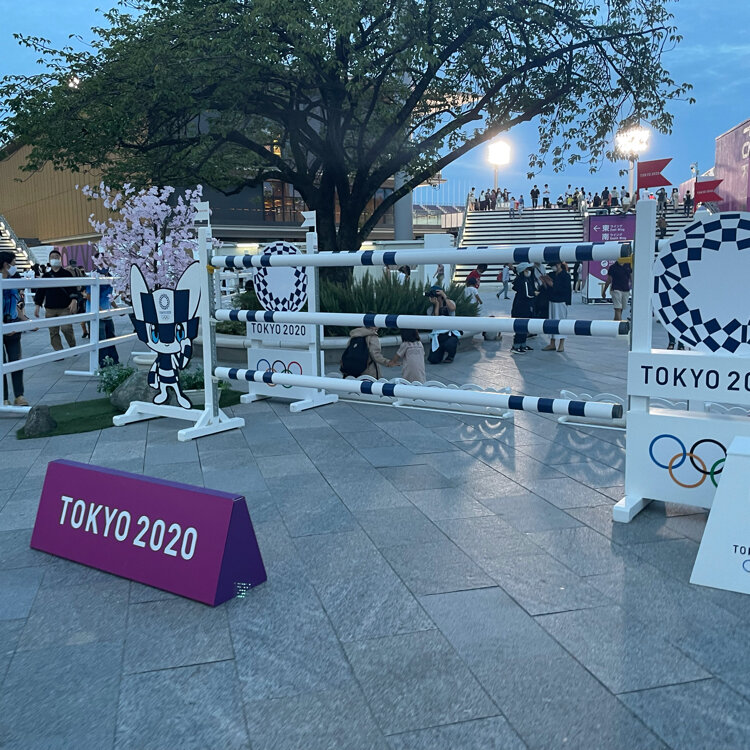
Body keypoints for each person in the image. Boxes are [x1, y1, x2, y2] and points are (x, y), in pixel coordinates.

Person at [33, 249, 79, 351]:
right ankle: (58, 352)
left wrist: (74, 300)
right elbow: (40, 292)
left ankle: (73, 347)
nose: (55, 259)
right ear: (49, 260)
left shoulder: (67, 274)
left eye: (57, 257)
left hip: (65, 307)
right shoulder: (46, 276)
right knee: (53, 332)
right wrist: (37, 306)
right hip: (50, 308)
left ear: (61, 259)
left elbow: (73, 288)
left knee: (66, 329)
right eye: (52, 257)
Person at [1, 251, 29, 406]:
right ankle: (3, 397)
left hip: (13, 326)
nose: (15, 266)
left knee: (16, 361)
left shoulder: (12, 282)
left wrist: (25, 321)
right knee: (1, 364)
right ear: (6, 265)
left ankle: (19, 396)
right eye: (14, 263)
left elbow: (15, 305)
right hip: (2, 328)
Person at [84, 266, 120, 366]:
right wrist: (99, 309)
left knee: (111, 337)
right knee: (100, 339)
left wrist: (116, 308)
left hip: (106, 313)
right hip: (95, 313)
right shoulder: (94, 277)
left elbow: (109, 296)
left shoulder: (110, 278)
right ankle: (104, 363)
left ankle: (114, 361)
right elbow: (89, 295)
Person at [543, 262, 572, 352]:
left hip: (561, 301)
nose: (552, 267)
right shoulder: (551, 274)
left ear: (558, 264)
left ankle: (561, 344)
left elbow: (565, 289)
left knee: (561, 322)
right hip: (552, 300)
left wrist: (553, 285)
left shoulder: (565, 276)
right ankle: (552, 343)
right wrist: (545, 282)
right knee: (551, 322)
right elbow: (547, 288)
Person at [426, 286, 460, 363]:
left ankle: (450, 355)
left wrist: (444, 295)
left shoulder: (449, 303)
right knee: (433, 360)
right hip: (438, 335)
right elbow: (436, 320)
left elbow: (452, 308)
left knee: (450, 344)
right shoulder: (430, 309)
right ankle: (440, 352)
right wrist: (437, 305)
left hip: (449, 333)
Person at [510, 263, 537, 353]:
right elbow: (528, 294)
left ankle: (522, 344)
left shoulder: (523, 280)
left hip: (521, 306)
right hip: (523, 307)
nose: (528, 271)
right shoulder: (523, 281)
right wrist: (535, 294)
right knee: (521, 326)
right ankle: (516, 346)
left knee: (524, 326)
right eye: (527, 269)